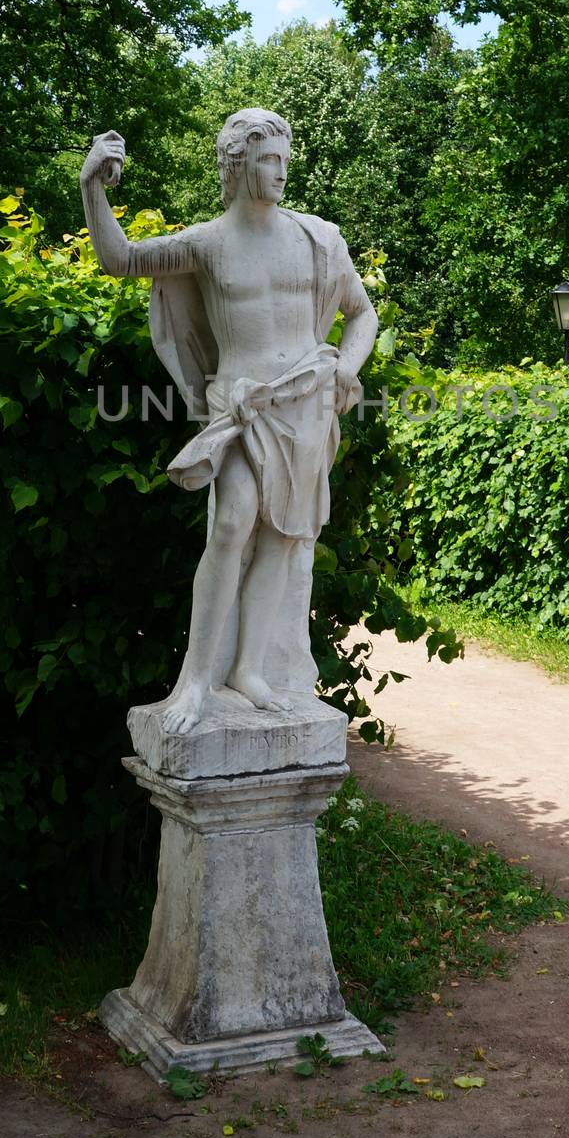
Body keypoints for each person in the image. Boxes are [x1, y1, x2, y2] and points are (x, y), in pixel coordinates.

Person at [79, 108, 378, 735]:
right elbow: (121, 259)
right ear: (238, 166)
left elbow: (361, 313)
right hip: (243, 406)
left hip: (307, 405)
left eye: (285, 158)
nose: (280, 171)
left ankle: (248, 669)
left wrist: (348, 366)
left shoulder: (318, 239)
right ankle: (195, 681)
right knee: (235, 521)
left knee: (281, 535)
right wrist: (92, 187)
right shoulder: (209, 243)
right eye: (268, 160)